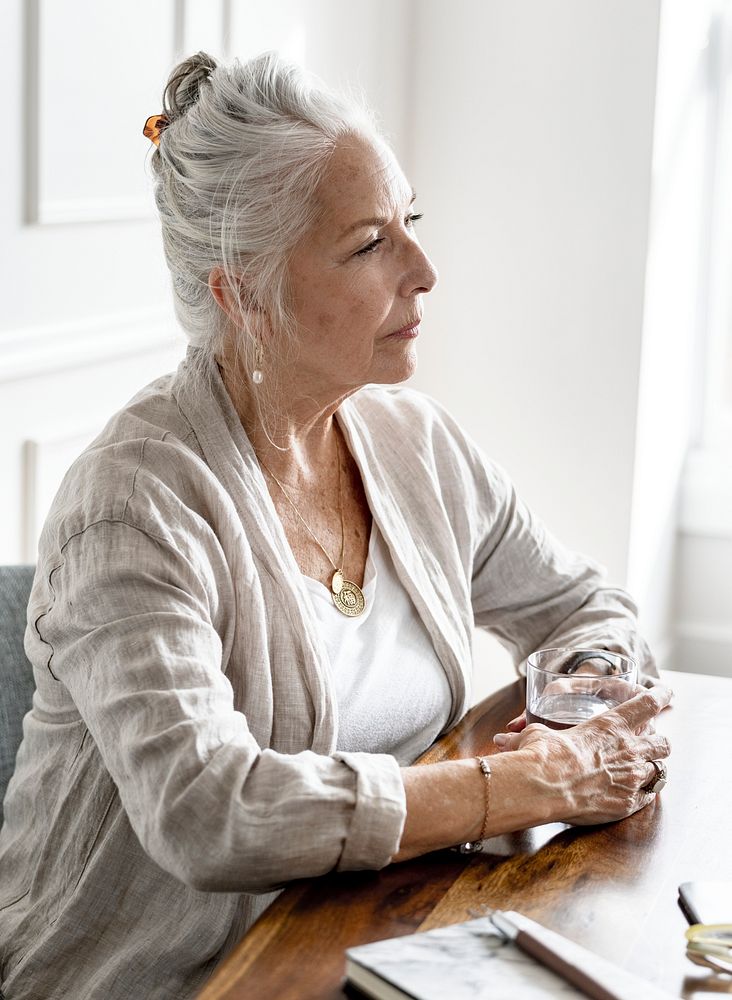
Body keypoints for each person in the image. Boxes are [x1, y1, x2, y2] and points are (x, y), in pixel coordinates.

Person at [0, 51, 671, 1000]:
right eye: (368, 245)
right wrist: (534, 783)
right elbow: (209, 808)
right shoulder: (132, 507)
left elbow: (584, 604)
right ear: (243, 293)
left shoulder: (415, 442)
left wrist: (578, 708)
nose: (425, 271)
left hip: (365, 939)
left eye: (413, 225)